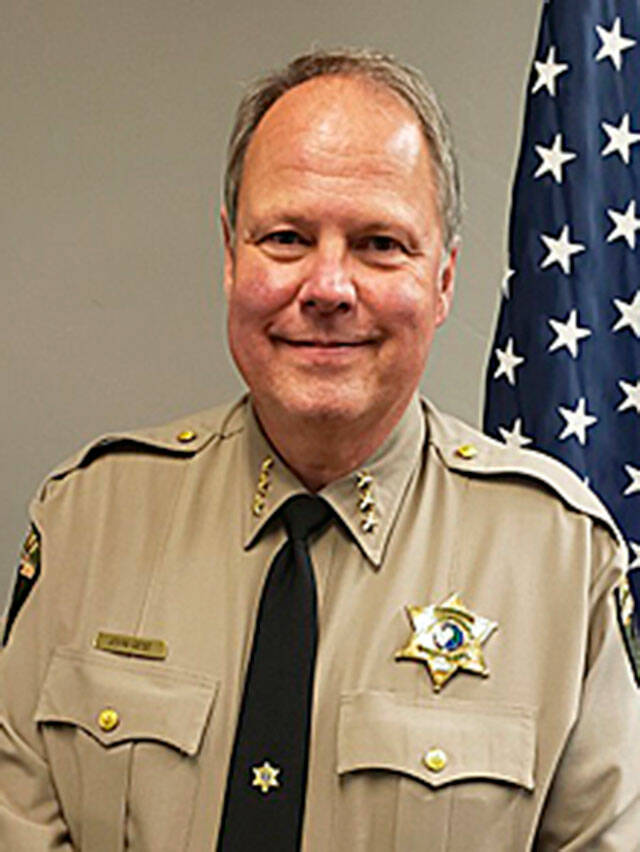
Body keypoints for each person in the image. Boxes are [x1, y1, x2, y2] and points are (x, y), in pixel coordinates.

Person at [1, 47, 639, 851]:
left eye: (379, 243)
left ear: (444, 280)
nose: (329, 287)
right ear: (230, 257)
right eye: (286, 237)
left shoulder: (560, 556)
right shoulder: (89, 519)